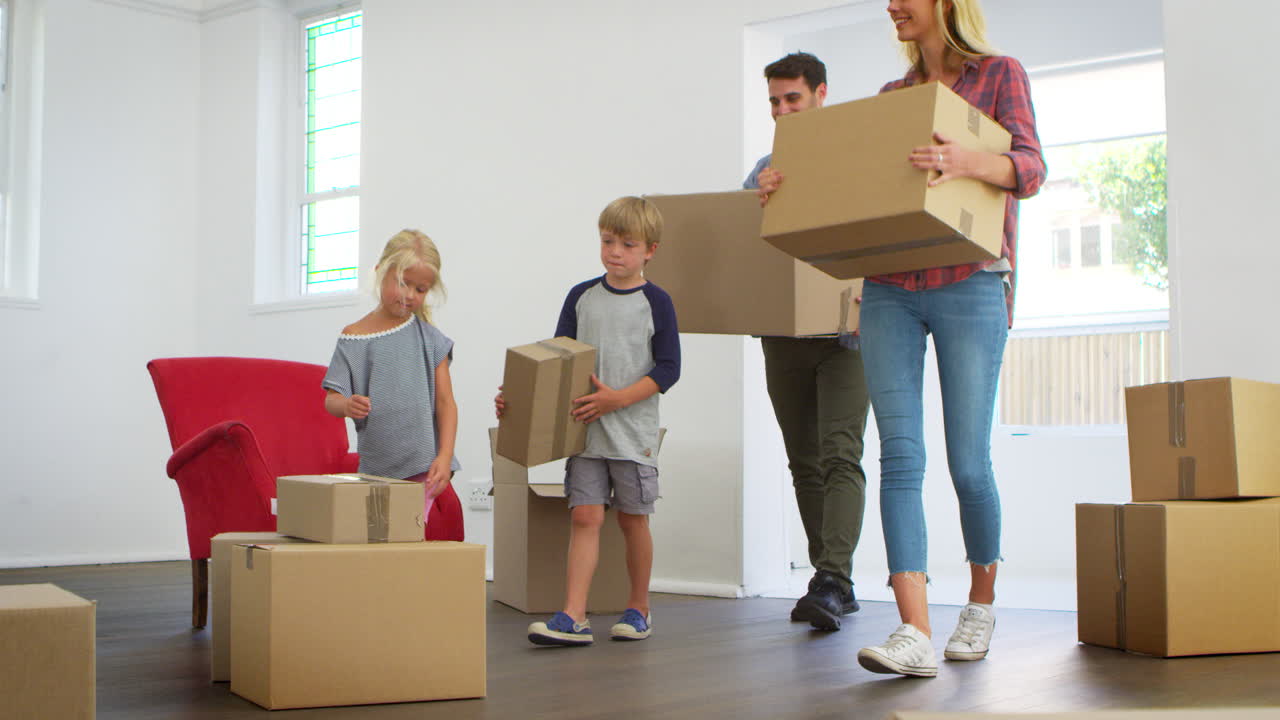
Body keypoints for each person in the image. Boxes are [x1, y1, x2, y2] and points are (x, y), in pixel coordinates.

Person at [847, 0, 1045, 678]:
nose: (892, 7)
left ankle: (980, 604)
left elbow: (1031, 169)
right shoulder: (891, 99)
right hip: (890, 289)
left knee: (968, 462)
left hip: (971, 282)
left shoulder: (999, 75)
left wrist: (969, 159)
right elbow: (863, 189)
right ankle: (913, 631)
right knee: (899, 456)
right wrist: (795, 188)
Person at [495, 196, 680, 647]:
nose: (615, 251)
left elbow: (668, 368)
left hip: (633, 435)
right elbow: (556, 361)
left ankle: (639, 609)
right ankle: (573, 615)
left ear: (650, 250)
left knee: (634, 521)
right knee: (584, 517)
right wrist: (516, 398)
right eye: (607, 241)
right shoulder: (580, 296)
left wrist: (618, 400)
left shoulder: (657, 302)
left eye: (627, 244)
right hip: (585, 434)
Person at [746, 51, 871, 632]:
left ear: (821, 94)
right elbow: (739, 247)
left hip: (848, 335)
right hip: (784, 335)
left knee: (842, 453)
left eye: (792, 98)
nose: (783, 110)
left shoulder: (858, 160)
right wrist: (756, 203)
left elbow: (884, 233)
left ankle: (832, 577)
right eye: (774, 102)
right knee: (804, 461)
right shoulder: (763, 170)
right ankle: (833, 579)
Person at [321, 229, 464, 541]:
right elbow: (331, 400)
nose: (410, 294)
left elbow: (445, 403)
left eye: (421, 289)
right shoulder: (354, 338)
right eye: (402, 282)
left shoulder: (430, 339)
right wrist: (346, 405)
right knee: (381, 542)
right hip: (378, 467)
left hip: (423, 465)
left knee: (407, 537)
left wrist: (444, 456)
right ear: (379, 272)